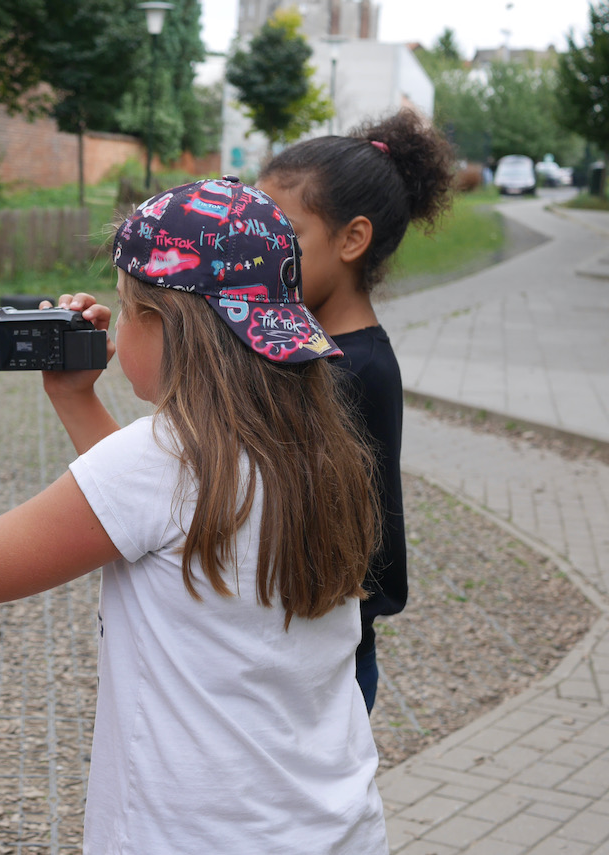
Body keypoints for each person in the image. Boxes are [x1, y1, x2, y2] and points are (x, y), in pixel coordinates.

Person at [0, 177, 388, 854]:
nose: (118, 325)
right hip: (328, 828)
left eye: (128, 309)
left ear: (167, 325)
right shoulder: (315, 444)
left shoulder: (161, 458)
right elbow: (162, 520)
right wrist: (75, 399)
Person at [256, 109, 457, 713]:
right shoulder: (311, 349)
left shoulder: (354, 371)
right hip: (297, 657)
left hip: (322, 672)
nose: (260, 255)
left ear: (351, 240)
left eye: (282, 236)